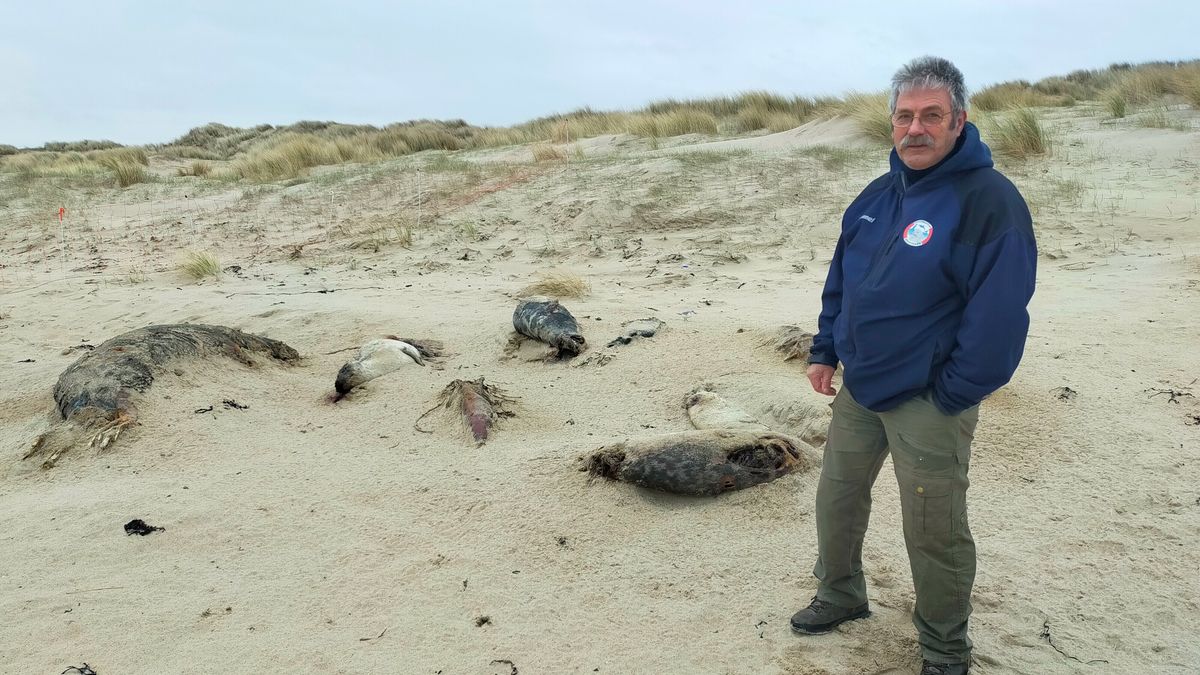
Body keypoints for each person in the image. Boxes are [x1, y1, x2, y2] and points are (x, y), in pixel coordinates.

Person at [789, 56, 1037, 675]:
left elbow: (1000, 315)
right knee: (837, 500)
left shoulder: (990, 202)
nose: (915, 129)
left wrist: (954, 392)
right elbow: (842, 278)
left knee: (933, 528)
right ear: (891, 123)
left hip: (929, 396)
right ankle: (841, 595)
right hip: (860, 386)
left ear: (960, 121)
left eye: (932, 115)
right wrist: (825, 350)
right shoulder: (877, 194)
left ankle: (945, 648)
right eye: (905, 116)